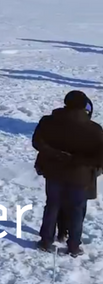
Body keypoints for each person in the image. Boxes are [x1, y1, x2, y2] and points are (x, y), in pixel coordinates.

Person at [34, 90, 103, 255]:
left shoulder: (48, 122)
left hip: (54, 172)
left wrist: (56, 154)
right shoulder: (94, 129)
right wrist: (78, 160)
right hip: (80, 175)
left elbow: (37, 142)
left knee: (52, 205)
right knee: (77, 209)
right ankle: (73, 246)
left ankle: (46, 241)